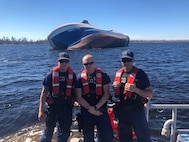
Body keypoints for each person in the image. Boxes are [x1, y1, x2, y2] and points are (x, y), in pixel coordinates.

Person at [112, 50, 153, 142]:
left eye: (128, 60)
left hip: (136, 112)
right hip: (122, 112)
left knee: (144, 137)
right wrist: (114, 86)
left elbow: (150, 94)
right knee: (124, 138)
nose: (126, 63)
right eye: (124, 60)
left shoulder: (140, 74)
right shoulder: (119, 74)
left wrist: (135, 90)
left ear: (133, 61)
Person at [38, 52, 77, 142]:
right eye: (61, 61)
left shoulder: (73, 76)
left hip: (66, 108)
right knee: (48, 131)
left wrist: (76, 101)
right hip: (52, 108)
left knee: (64, 133)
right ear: (57, 62)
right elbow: (44, 93)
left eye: (66, 61)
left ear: (69, 63)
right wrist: (40, 110)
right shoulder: (50, 75)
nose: (63, 63)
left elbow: (76, 91)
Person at [75, 54, 113, 142]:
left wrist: (96, 108)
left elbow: (106, 94)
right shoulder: (79, 78)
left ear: (94, 63)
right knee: (88, 139)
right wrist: (90, 109)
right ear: (83, 65)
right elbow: (78, 97)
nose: (88, 66)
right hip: (86, 112)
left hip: (100, 111)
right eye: (86, 64)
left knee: (106, 138)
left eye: (90, 63)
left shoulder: (103, 76)